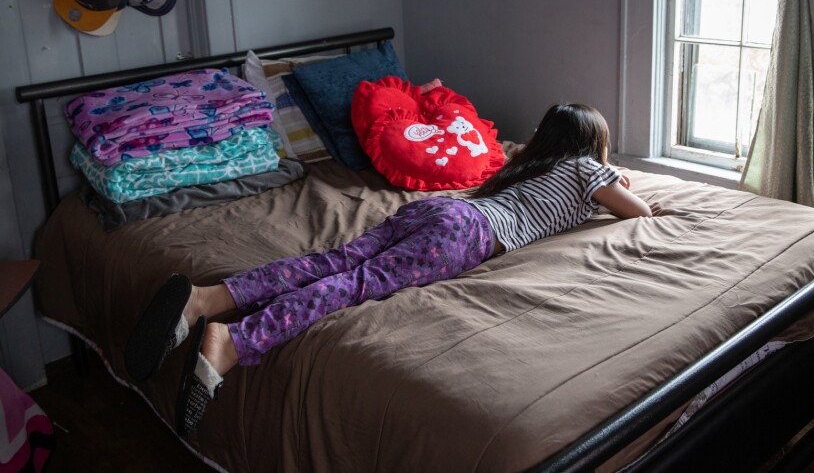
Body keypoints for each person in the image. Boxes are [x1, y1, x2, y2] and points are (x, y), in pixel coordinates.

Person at [124, 102, 652, 436]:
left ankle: (207, 299)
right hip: (467, 234)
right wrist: (618, 181)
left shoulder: (528, 168)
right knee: (358, 285)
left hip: (444, 209)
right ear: (590, 146)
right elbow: (640, 213)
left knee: (335, 261)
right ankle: (234, 341)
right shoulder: (588, 168)